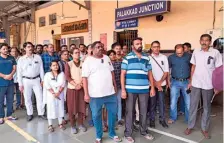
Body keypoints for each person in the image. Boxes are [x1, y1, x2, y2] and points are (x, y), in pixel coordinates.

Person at [184, 34, 223, 139]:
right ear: (200, 41)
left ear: (210, 42)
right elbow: (193, 67)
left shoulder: (216, 53)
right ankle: (190, 126)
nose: (204, 42)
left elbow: (219, 71)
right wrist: (191, 82)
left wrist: (218, 85)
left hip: (208, 85)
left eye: (206, 40)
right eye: (202, 40)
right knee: (193, 106)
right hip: (196, 84)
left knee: (207, 107)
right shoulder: (196, 51)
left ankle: (204, 128)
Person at [82, 41, 121, 143]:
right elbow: (84, 78)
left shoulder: (106, 58)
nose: (100, 48)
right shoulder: (88, 61)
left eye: (102, 47)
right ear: (93, 49)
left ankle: (112, 133)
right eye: (98, 47)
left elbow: (111, 72)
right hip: (95, 95)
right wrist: (86, 94)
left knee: (113, 113)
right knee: (96, 115)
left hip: (110, 93)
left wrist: (115, 85)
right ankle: (99, 135)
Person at [121, 37, 155, 143]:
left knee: (144, 111)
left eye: (140, 43)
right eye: (137, 44)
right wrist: (123, 90)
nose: (139, 45)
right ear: (132, 46)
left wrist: (152, 87)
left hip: (144, 89)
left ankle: (144, 131)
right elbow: (122, 74)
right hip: (130, 89)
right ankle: (128, 134)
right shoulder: (127, 58)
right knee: (129, 112)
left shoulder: (146, 58)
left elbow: (150, 73)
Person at [17, 42, 46, 121]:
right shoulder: (21, 59)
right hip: (26, 80)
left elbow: (41, 69)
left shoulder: (37, 57)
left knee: (40, 97)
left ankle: (41, 113)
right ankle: (29, 114)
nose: (30, 48)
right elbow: (19, 72)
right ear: (25, 48)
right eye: (28, 47)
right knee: (27, 98)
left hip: (36, 80)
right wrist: (20, 84)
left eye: (31, 47)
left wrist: (43, 80)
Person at [65, 48, 87, 134]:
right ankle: (73, 126)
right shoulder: (68, 64)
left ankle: (81, 124)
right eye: (75, 53)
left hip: (81, 88)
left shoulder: (83, 63)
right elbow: (67, 76)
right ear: (71, 54)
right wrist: (75, 85)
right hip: (72, 89)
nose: (77, 54)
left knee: (81, 107)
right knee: (71, 108)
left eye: (78, 52)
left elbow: (85, 75)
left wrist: (80, 84)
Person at [167, 44, 191, 124]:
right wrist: (168, 80)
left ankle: (189, 119)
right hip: (174, 82)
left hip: (186, 82)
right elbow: (168, 70)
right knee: (173, 101)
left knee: (188, 102)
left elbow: (193, 68)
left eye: (180, 53)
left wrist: (191, 81)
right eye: (177, 53)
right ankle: (173, 117)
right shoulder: (171, 57)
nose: (179, 55)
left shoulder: (189, 56)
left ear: (184, 50)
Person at [148, 41, 169, 129]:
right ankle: (152, 120)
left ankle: (162, 119)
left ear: (159, 47)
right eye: (154, 47)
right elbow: (148, 72)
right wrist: (155, 84)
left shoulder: (164, 57)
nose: (156, 48)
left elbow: (166, 71)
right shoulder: (148, 58)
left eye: (158, 47)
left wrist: (160, 82)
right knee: (152, 103)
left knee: (162, 103)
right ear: (151, 48)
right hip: (152, 85)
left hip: (162, 84)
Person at [44, 60, 66, 132]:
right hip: (51, 95)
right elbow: (47, 85)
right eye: (53, 65)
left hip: (60, 93)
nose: (55, 66)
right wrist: (53, 93)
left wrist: (58, 93)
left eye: (56, 65)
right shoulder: (47, 75)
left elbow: (63, 84)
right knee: (50, 108)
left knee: (60, 107)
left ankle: (60, 124)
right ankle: (50, 125)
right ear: (50, 67)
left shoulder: (62, 74)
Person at [0, 43, 18, 124]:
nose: (6, 50)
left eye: (6, 48)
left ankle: (9, 115)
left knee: (10, 100)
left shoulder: (11, 58)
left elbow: (14, 68)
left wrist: (10, 75)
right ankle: (1, 116)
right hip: (1, 83)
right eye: (4, 49)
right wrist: (4, 76)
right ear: (0, 50)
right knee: (0, 101)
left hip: (10, 82)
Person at [107, 48, 123, 127]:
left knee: (118, 102)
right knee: (111, 103)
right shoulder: (106, 65)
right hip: (109, 87)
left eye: (113, 54)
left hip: (118, 85)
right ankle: (112, 118)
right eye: (110, 55)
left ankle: (119, 118)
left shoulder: (119, 63)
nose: (112, 56)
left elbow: (121, 75)